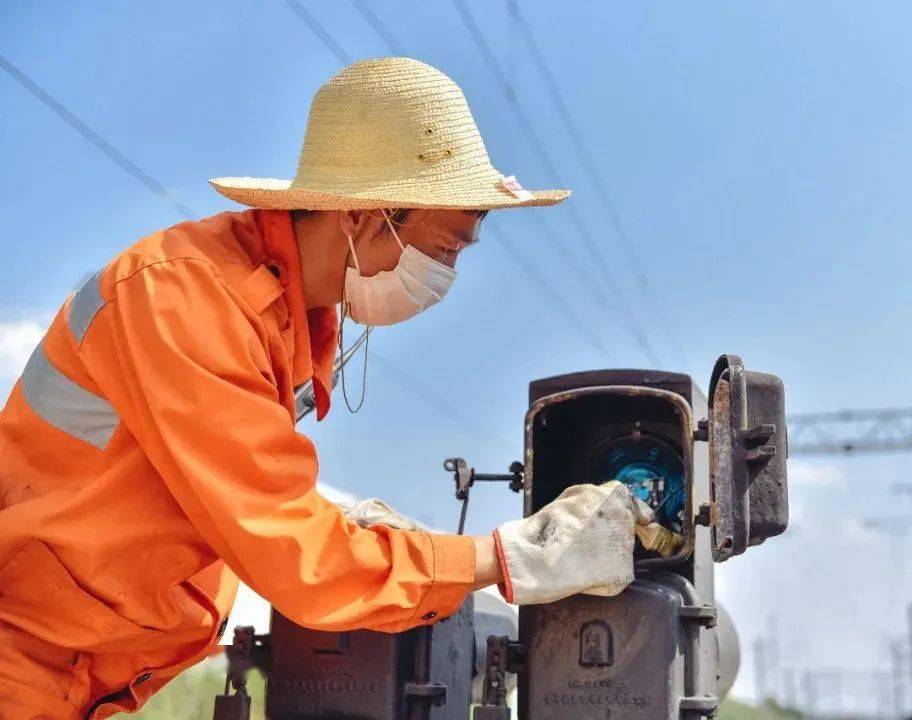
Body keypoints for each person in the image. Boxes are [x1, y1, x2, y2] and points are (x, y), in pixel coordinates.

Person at [0, 57, 653, 719]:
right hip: (21, 663)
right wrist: (510, 556)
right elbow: (301, 562)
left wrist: (351, 535)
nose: (446, 273)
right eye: (446, 250)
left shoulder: (279, 316)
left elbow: (234, 497)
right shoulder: (184, 298)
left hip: (75, 677)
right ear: (368, 218)